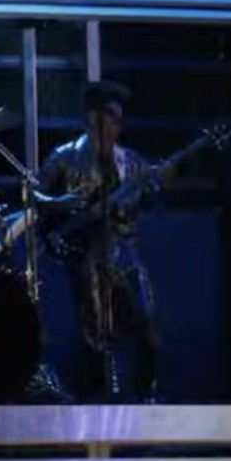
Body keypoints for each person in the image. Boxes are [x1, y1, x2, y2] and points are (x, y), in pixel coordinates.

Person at [36, 81, 160, 400]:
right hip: (86, 254)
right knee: (96, 332)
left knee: (146, 324)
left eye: (118, 120)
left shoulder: (129, 160)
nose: (114, 127)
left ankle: (147, 395)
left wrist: (150, 192)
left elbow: (147, 199)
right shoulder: (65, 157)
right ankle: (100, 393)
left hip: (124, 251)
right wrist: (58, 203)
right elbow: (35, 195)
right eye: (108, 119)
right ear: (92, 119)